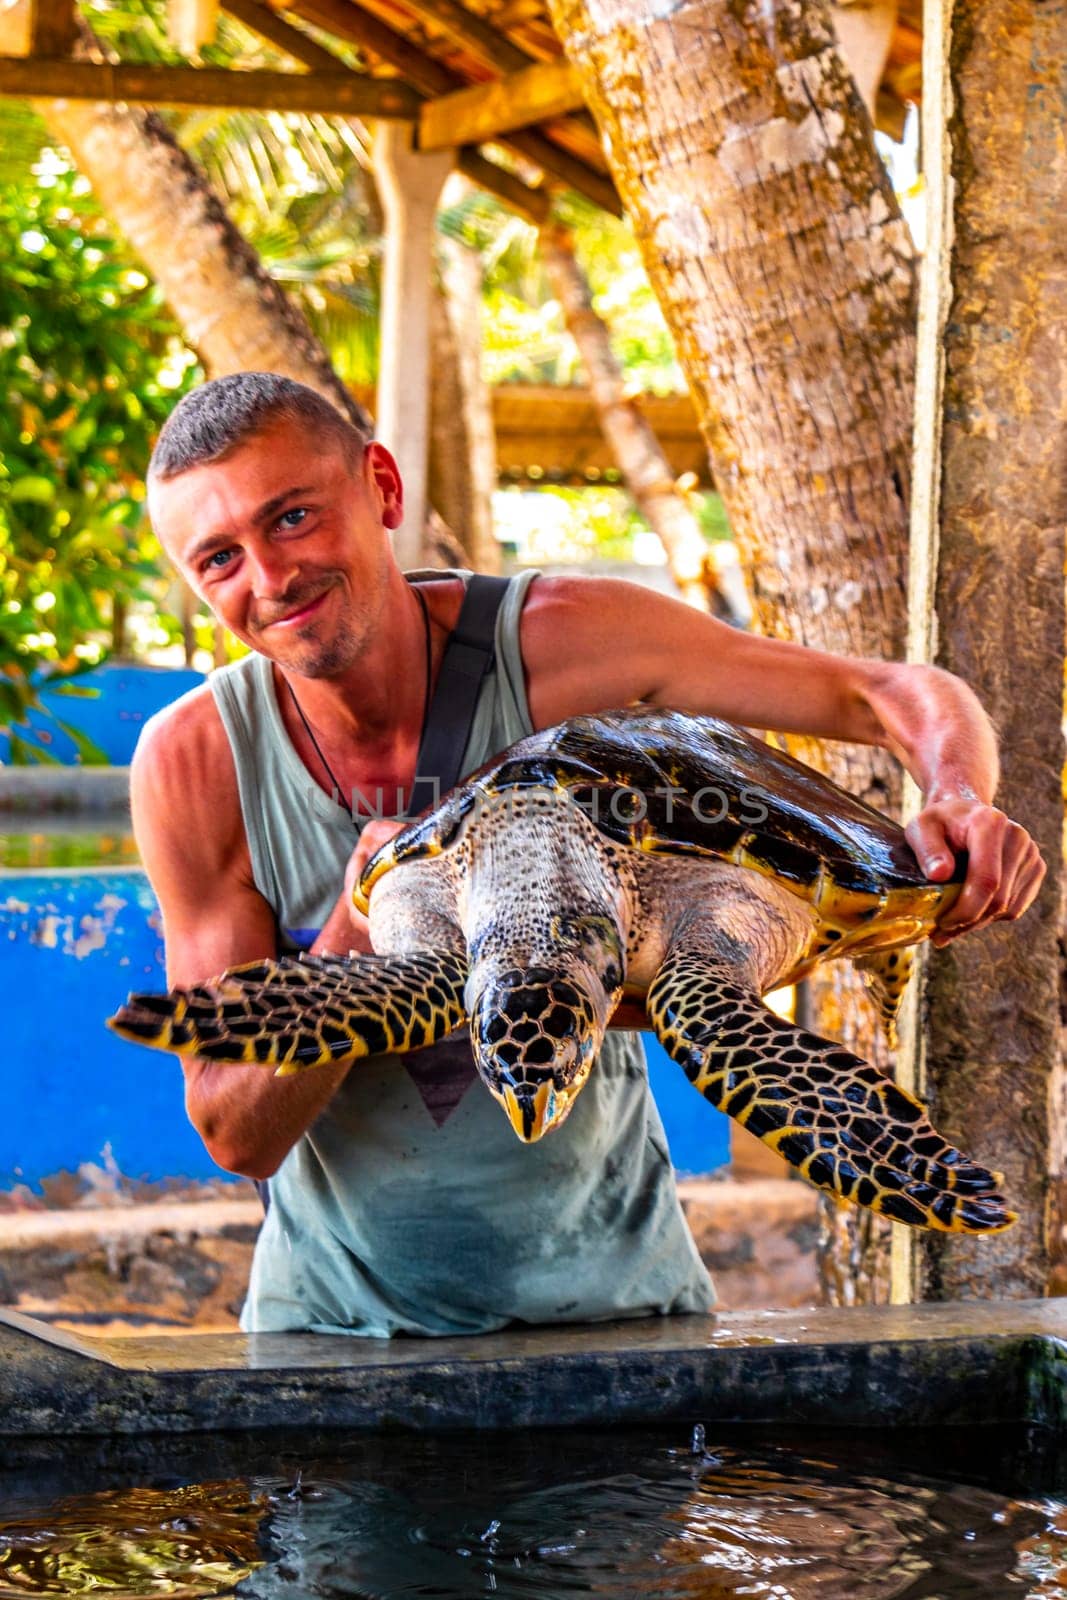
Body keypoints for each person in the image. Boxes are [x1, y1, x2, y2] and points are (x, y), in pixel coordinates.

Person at [134, 372, 1044, 1337]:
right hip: (332, 1333)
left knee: (706, 1011)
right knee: (695, 1008)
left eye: (294, 517)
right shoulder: (199, 761)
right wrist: (362, 929)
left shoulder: (563, 643)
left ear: (383, 489)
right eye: (220, 558)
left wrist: (955, 797)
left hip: (623, 1316)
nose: (269, 577)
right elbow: (234, 1127)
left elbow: (883, 693)